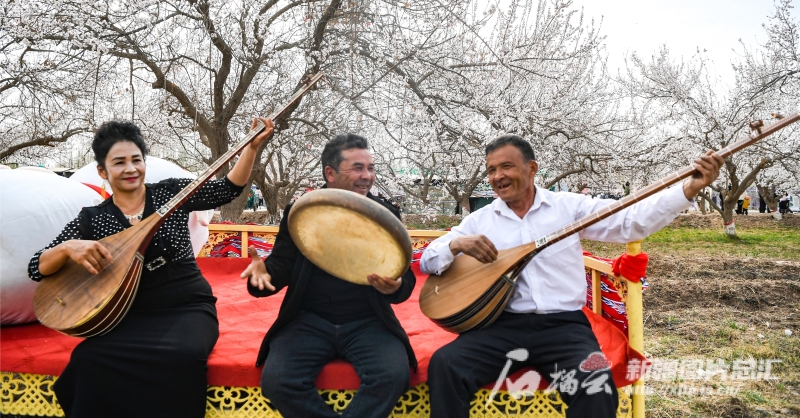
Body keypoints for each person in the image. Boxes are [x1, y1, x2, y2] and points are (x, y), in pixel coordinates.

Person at [420, 134, 723, 418]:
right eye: (491, 170)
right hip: (500, 325)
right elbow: (429, 260)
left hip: (563, 326)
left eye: (506, 166)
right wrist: (456, 244)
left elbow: (631, 220)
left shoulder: (569, 207)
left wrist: (689, 189)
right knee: (446, 365)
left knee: (597, 385)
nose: (497, 176)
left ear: (532, 168)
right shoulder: (480, 220)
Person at [27, 118, 273, 418]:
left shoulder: (170, 194)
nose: (130, 169)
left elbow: (226, 190)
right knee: (88, 358)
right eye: (119, 162)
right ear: (102, 171)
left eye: (136, 160)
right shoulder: (93, 218)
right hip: (129, 315)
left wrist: (251, 148)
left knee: (180, 355)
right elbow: (36, 267)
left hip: (186, 307)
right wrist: (68, 248)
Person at [240, 134, 416, 418]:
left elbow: (405, 282)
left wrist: (394, 286)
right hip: (308, 320)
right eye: (357, 168)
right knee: (279, 382)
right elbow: (280, 268)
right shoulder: (302, 211)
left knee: (392, 376)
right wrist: (262, 275)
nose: (367, 176)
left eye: (370, 168)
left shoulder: (386, 213)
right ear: (330, 173)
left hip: (368, 321)